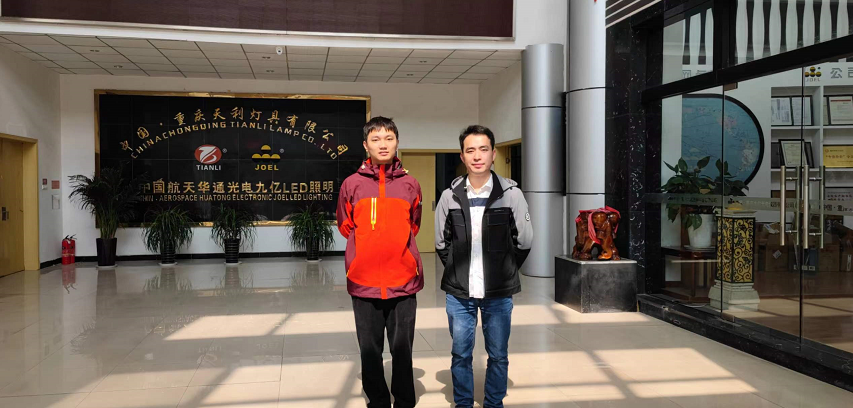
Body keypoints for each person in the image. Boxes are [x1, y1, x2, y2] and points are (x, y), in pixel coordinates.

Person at [434, 125, 533, 408]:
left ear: (493, 154)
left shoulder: (511, 194)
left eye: (483, 149)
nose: (477, 156)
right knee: (460, 354)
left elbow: (524, 240)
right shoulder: (449, 196)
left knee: (498, 355)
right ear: (462, 156)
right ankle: (463, 403)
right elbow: (441, 242)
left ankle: (493, 403)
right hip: (459, 293)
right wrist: (456, 270)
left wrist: (505, 268)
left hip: (498, 294)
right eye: (470, 150)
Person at [336, 116, 424, 408]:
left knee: (403, 349)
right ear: (366, 145)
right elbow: (346, 225)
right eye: (376, 139)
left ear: (397, 142)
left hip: (403, 281)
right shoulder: (351, 184)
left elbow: (413, 225)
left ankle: (404, 401)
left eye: (389, 138)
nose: (383, 144)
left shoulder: (411, 184)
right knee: (369, 350)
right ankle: (378, 401)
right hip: (364, 281)